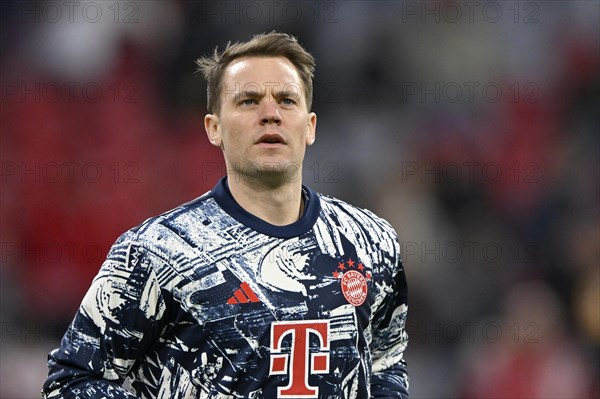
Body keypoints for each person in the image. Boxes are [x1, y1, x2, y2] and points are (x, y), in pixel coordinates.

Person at [42, 32, 409, 399]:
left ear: (310, 126)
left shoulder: (370, 242)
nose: (270, 114)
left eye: (286, 100)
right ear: (213, 128)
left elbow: (386, 367)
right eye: (248, 101)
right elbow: (71, 381)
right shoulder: (157, 250)